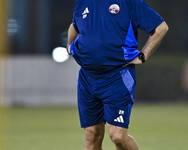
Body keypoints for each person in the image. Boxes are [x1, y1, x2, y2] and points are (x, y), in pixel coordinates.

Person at [67, 0, 168, 149]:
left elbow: (161, 27)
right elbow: (75, 25)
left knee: (118, 136)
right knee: (92, 136)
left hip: (117, 76)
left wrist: (143, 56)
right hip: (87, 78)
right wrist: (69, 46)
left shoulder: (129, 2)